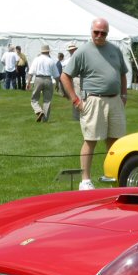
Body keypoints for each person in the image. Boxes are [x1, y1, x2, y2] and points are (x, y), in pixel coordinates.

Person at [60, 18, 128, 190]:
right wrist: (76, 100)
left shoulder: (115, 50)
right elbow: (65, 76)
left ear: (107, 33)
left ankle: (113, 177)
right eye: (96, 32)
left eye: (103, 33)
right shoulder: (83, 51)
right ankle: (85, 181)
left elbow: (122, 74)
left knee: (116, 141)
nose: (99, 35)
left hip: (115, 100)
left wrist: (124, 95)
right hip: (93, 100)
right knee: (91, 140)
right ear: (91, 31)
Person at [27, 44, 56, 122]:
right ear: (48, 52)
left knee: (34, 99)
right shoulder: (51, 60)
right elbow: (56, 75)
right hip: (48, 79)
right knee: (47, 100)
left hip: (38, 79)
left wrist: (28, 82)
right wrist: (58, 83)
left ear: (41, 51)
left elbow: (30, 72)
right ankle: (45, 120)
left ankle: (38, 110)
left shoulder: (36, 59)